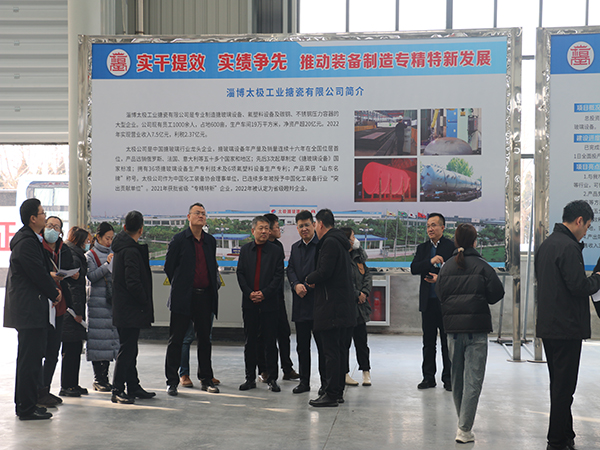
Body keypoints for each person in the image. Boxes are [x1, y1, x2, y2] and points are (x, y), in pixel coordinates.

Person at [535, 200, 600, 450]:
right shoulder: (569, 247)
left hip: (549, 327)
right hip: (567, 328)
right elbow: (578, 286)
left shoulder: (547, 245)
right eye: (588, 227)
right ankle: (555, 441)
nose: (586, 232)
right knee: (564, 389)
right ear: (579, 220)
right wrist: (597, 279)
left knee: (559, 384)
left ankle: (566, 434)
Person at [435, 223, 504, 444]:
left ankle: (463, 424)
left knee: (457, 379)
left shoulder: (446, 267)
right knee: (473, 380)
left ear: (455, 241)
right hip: (477, 330)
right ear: (475, 241)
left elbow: (440, 294)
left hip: (453, 330)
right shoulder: (483, 266)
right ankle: (464, 428)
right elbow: (497, 293)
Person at [4, 198, 61, 420]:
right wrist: (54, 293)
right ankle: (26, 408)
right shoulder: (26, 242)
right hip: (28, 311)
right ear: (33, 218)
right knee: (29, 361)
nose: (45, 216)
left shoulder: (31, 240)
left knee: (31, 360)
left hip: (31, 309)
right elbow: (37, 274)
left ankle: (27, 404)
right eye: (42, 213)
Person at [164, 203, 220, 396]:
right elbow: (169, 267)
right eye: (197, 213)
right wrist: (181, 285)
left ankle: (206, 379)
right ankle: (172, 381)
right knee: (176, 340)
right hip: (183, 298)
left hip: (205, 297)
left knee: (205, 340)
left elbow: (211, 267)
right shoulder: (179, 240)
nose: (201, 216)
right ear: (188, 217)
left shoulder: (210, 241)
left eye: (204, 213)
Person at [305, 209, 356, 407]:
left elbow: (324, 271)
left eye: (314, 224)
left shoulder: (330, 242)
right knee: (339, 351)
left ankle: (332, 394)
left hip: (331, 307)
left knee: (331, 353)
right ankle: (337, 392)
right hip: (341, 307)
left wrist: (309, 278)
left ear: (320, 224)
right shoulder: (340, 242)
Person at [110, 210, 155, 404]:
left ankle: (133, 386)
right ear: (141, 229)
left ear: (124, 227)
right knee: (127, 350)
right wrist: (144, 300)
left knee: (130, 349)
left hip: (123, 308)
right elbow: (133, 282)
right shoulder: (130, 251)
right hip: (130, 309)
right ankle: (117, 389)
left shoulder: (122, 248)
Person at [236, 216, 284, 393]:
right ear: (253, 231)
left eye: (266, 228)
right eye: (260, 228)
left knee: (270, 342)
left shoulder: (276, 251)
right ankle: (250, 378)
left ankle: (272, 378)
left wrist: (264, 293)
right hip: (249, 303)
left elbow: (278, 276)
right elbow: (240, 274)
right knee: (250, 342)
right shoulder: (245, 250)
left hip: (269, 303)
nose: (264, 231)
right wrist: (249, 293)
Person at [410, 212, 455, 391]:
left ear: (442, 227)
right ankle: (428, 377)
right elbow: (414, 268)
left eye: (434, 225)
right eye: (428, 226)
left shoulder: (451, 247)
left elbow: (456, 272)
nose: (430, 229)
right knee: (428, 343)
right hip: (428, 302)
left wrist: (440, 277)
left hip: (445, 302)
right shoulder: (422, 248)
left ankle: (448, 378)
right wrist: (431, 261)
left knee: (446, 343)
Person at [37, 215, 75, 407]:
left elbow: (71, 268)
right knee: (39, 351)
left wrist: (73, 274)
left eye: (56, 227)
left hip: (60, 304)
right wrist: (49, 275)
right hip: (43, 304)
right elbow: (35, 272)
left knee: (53, 351)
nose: (52, 229)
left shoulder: (63, 249)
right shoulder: (37, 247)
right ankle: (36, 391)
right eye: (49, 225)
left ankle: (45, 390)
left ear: (61, 231)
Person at [257, 212, 299, 382]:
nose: (278, 230)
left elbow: (278, 274)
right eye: (276, 227)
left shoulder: (278, 247)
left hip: (277, 298)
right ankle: (264, 369)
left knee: (283, 333)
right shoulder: (258, 248)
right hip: (262, 299)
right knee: (263, 336)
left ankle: (287, 368)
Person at [287, 210, 321, 394]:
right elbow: (290, 269)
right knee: (302, 347)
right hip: (300, 304)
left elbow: (323, 270)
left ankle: (325, 384)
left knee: (323, 347)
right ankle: (304, 382)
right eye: (300, 226)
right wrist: (295, 284)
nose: (304, 229)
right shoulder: (295, 247)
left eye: (307, 225)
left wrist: (308, 284)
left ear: (314, 225)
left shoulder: (321, 245)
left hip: (318, 304)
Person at [86, 222, 119, 392]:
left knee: (109, 342)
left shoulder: (115, 253)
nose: (109, 241)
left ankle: (106, 377)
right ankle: (98, 378)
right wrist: (107, 266)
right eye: (107, 238)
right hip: (98, 304)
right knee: (98, 341)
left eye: (112, 238)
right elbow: (91, 276)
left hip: (112, 303)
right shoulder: (90, 255)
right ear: (98, 237)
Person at [59, 226, 91, 397]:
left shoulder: (74, 252)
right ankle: (67, 385)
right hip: (71, 311)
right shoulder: (72, 254)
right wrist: (76, 312)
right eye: (86, 240)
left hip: (74, 309)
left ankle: (73, 383)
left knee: (75, 348)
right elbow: (73, 289)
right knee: (70, 349)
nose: (88, 243)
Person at [340, 227, 373, 387]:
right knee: (344, 342)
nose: (355, 240)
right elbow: (343, 281)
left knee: (362, 342)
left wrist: (364, 293)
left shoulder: (359, 256)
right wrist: (356, 294)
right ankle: (344, 373)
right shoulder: (341, 257)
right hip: (347, 308)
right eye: (353, 236)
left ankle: (366, 371)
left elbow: (367, 275)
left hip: (360, 308)